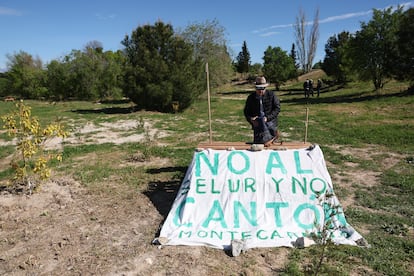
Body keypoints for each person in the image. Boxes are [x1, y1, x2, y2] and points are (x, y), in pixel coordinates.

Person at [244, 76, 281, 146]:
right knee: (258, 146)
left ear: (265, 87)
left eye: (262, 88)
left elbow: (277, 108)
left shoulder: (272, 95)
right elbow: (246, 112)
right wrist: (251, 119)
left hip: (271, 123)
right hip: (258, 124)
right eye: (258, 88)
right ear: (255, 88)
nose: (260, 90)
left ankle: (273, 138)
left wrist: (268, 118)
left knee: (271, 146)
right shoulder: (251, 97)